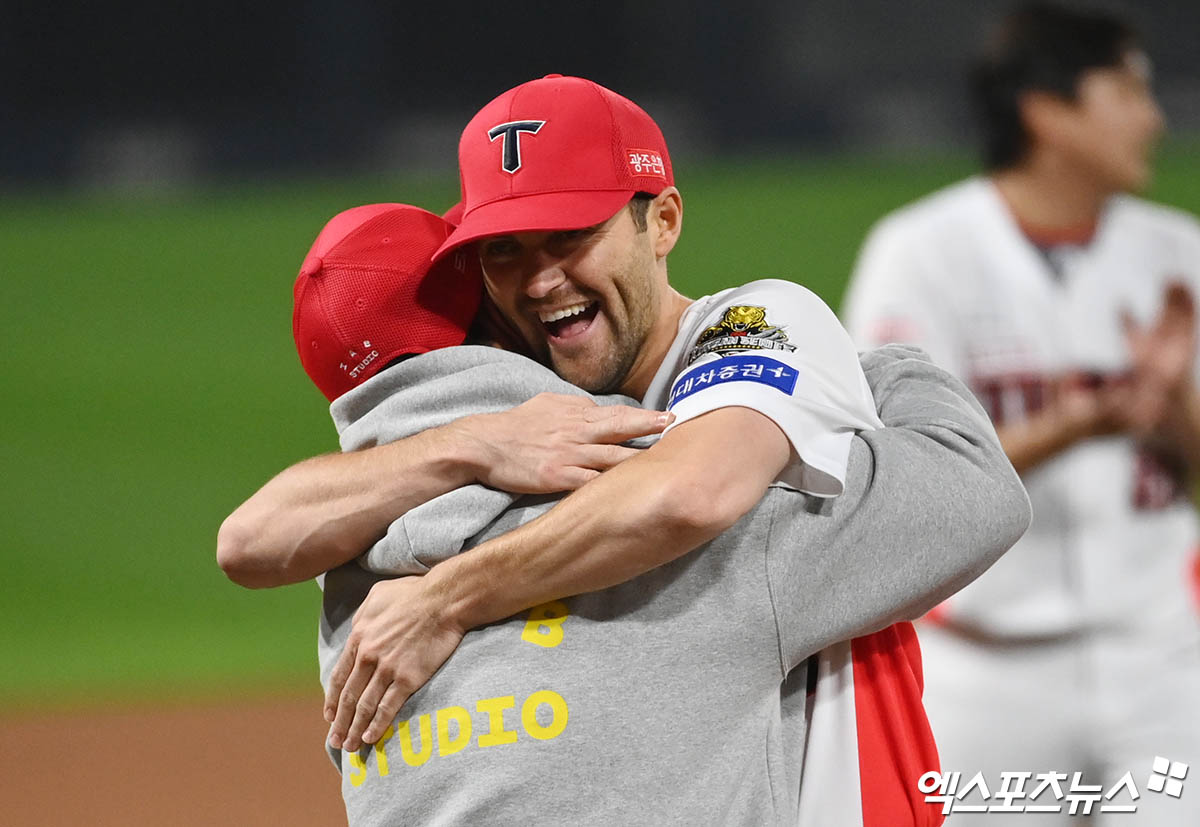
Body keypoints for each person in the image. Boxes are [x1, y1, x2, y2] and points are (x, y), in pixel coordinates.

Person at [217, 74, 1030, 767]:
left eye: (571, 235)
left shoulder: (757, 321)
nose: (540, 280)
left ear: (663, 220)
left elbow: (691, 491)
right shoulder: (522, 412)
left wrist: (445, 599)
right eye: (505, 251)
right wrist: (473, 445)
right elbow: (248, 540)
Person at [282, 200, 1015, 824]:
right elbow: (975, 487)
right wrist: (873, 372)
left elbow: (247, 539)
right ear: (491, 318)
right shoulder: (715, 544)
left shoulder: (347, 590)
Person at [841, 3, 1200, 822]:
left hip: (1160, 663)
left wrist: (1172, 399)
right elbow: (896, 477)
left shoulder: (1179, 251)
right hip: (981, 673)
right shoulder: (922, 253)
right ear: (1048, 111)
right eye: (1128, 92)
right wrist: (1073, 425)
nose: (1154, 117)